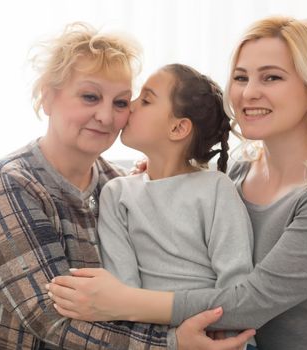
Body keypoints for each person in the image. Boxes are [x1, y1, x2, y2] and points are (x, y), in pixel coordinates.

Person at [47, 16, 307, 350]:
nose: (248, 93)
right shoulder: (239, 172)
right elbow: (179, 192)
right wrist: (153, 172)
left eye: (271, 78)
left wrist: (124, 302)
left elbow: (253, 301)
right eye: (241, 78)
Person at [0, 22, 254, 350]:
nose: (106, 116)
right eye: (89, 96)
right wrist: (172, 343)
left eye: (122, 102)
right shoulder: (6, 186)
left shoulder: (118, 185)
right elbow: (51, 320)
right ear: (48, 98)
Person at [90, 63, 256, 347]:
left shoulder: (216, 188)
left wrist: (226, 336)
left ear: (178, 127)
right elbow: (123, 292)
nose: (129, 106)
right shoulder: (116, 193)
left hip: (220, 338)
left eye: (146, 99)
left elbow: (236, 279)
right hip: (155, 340)